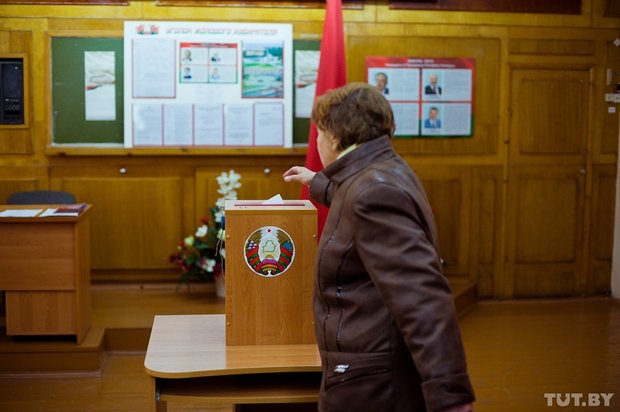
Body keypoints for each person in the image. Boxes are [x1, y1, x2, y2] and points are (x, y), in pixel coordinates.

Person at [283, 83, 474, 412]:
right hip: (370, 368)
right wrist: (317, 182)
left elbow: (422, 301)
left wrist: (450, 396)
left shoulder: (372, 192)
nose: (317, 142)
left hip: (372, 383)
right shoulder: (381, 171)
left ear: (334, 137)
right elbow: (356, 204)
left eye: (319, 133)